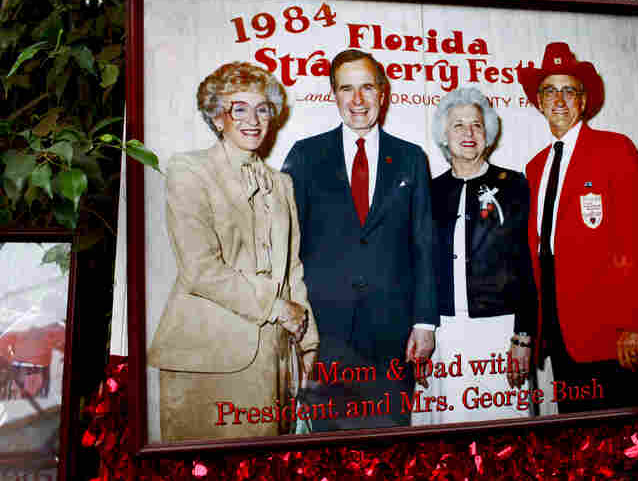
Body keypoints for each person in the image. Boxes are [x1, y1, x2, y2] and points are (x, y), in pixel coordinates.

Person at [147, 62, 319, 441]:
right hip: (206, 358)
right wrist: (276, 308)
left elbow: (292, 270)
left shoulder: (282, 183)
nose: (252, 120)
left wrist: (308, 345)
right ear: (217, 117)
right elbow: (200, 268)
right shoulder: (189, 170)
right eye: (238, 108)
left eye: (262, 109)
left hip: (274, 358)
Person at [282, 49, 437, 430]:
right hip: (324, 331)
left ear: (382, 94)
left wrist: (425, 323)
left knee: (388, 448)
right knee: (325, 452)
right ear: (333, 95)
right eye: (346, 88)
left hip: (392, 333)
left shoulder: (411, 158)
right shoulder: (305, 155)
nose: (357, 100)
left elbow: (424, 244)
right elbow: (287, 244)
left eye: (367, 87)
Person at [519, 42, 638, 413]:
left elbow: (635, 242)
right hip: (558, 328)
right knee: (577, 434)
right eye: (549, 90)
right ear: (539, 101)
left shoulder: (616, 150)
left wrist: (631, 324)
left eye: (568, 90)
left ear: (582, 100)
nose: (558, 99)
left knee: (621, 439)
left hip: (607, 330)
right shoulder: (535, 168)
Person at [412, 87, 537, 425]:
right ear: (443, 135)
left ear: (488, 133)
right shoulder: (429, 191)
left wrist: (523, 336)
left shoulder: (514, 186)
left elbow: (527, 265)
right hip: (443, 334)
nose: (468, 133)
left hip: (500, 332)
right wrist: (419, 334)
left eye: (476, 125)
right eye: (458, 125)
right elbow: (417, 266)